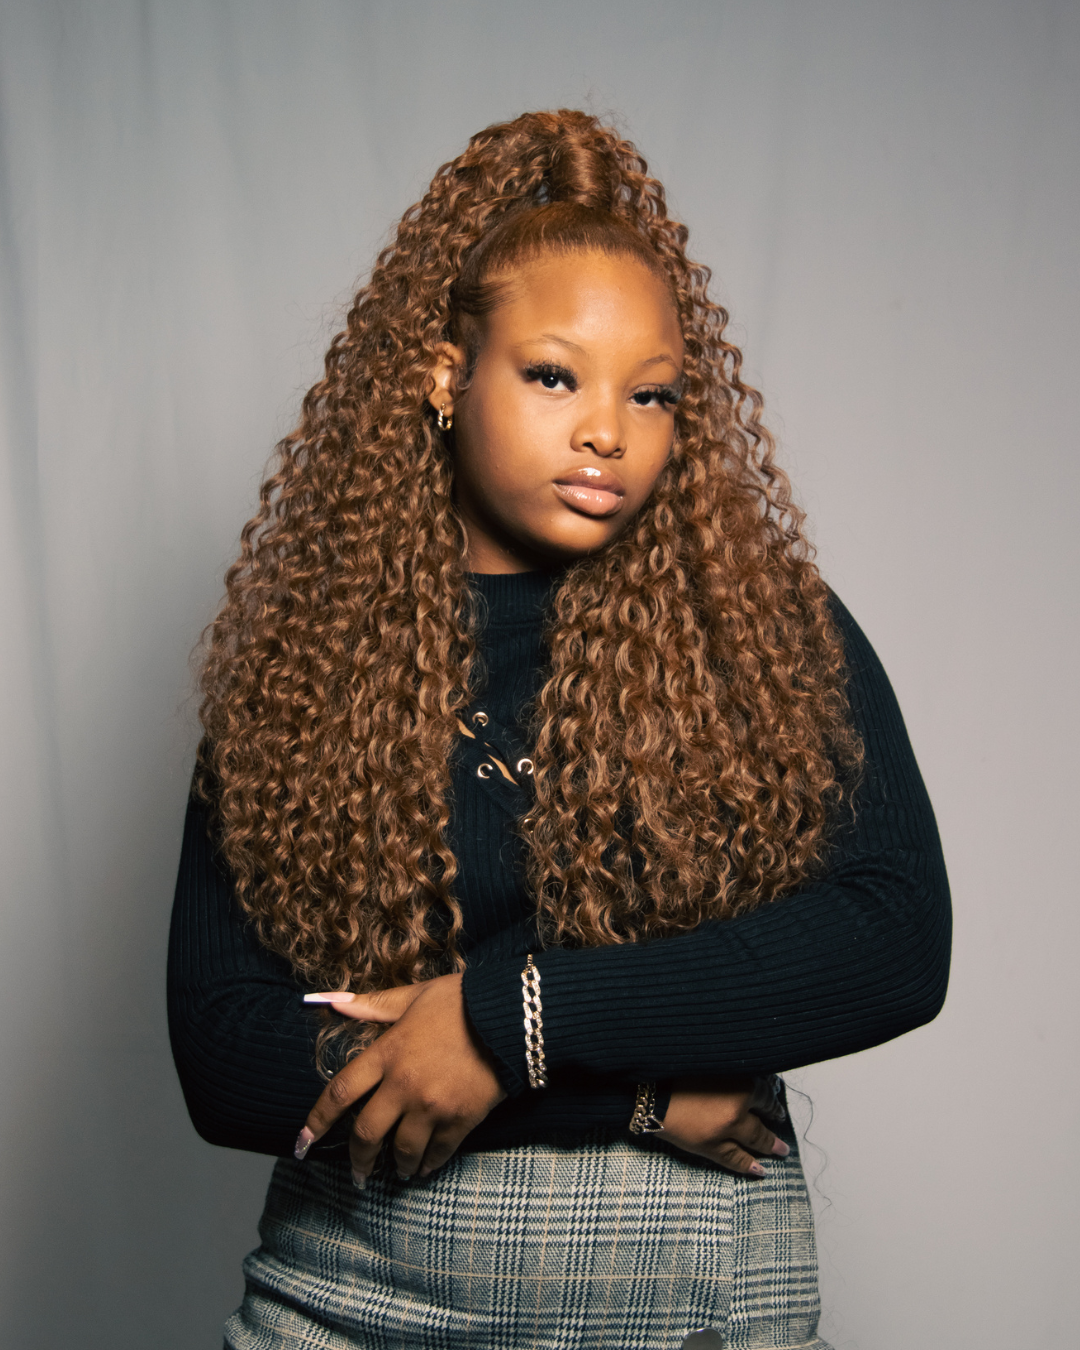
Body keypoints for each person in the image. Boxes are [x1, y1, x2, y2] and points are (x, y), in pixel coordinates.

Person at [168, 109, 950, 1350]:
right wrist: (626, 1097)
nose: (608, 432)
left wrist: (501, 1020)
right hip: (355, 1293)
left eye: (653, 395)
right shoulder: (304, 669)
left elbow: (895, 939)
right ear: (442, 376)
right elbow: (224, 1054)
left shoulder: (763, 630)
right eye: (553, 375)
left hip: (696, 1293)